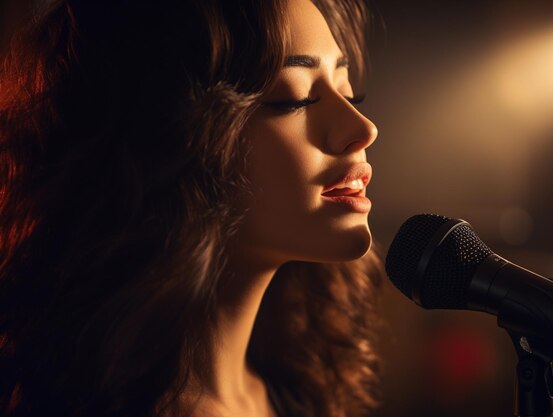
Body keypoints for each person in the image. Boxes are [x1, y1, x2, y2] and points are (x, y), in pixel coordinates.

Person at [0, 0, 383, 416]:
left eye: (346, 91)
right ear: (171, 135)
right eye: (296, 96)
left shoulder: (298, 391)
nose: (363, 128)